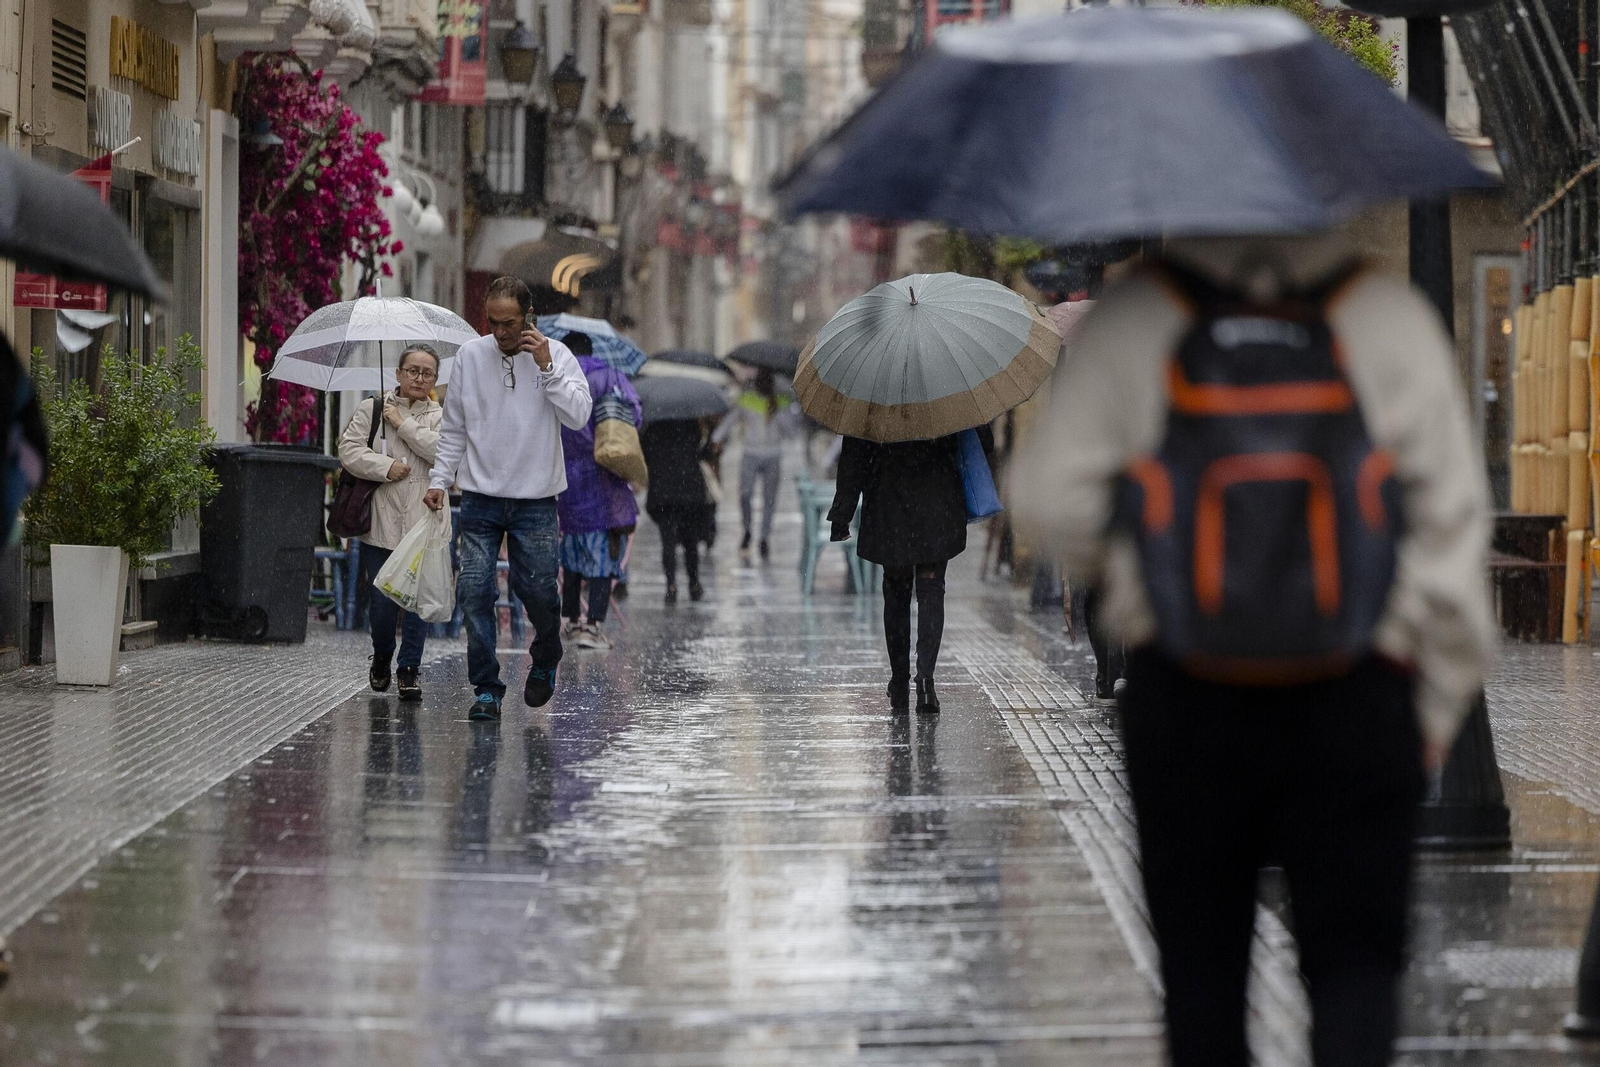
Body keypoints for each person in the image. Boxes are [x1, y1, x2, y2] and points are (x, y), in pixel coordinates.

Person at [1010, 233, 1495, 1067]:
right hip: (1359, 691)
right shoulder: (1385, 317)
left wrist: (1142, 578)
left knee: (1202, 979)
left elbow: (1048, 500)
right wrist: (1433, 709)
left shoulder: (1139, 318)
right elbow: (1454, 540)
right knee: (1354, 973)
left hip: (1189, 694)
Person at [425, 277, 593, 721]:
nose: (501, 333)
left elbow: (578, 417)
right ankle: (486, 689)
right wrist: (439, 481)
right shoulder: (469, 356)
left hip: (536, 499)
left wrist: (545, 367)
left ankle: (546, 654)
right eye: (493, 323)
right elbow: (454, 426)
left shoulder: (556, 355)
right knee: (475, 591)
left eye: (511, 323)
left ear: (529, 317)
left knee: (536, 589)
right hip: (480, 496)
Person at [829, 426, 994, 714]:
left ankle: (900, 680)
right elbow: (985, 443)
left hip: (888, 496)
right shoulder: (946, 386)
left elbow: (855, 453)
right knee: (931, 587)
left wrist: (843, 512)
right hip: (937, 495)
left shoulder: (874, 389)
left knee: (896, 588)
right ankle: (926, 683)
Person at [338, 343, 443, 702]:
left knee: (417, 602)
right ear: (397, 373)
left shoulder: (441, 415)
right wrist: (385, 467)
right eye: (412, 370)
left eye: (426, 372)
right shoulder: (372, 408)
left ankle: (409, 670)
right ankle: (382, 654)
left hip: (423, 521)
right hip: (380, 520)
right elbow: (349, 450)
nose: (418, 378)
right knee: (382, 602)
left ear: (434, 379)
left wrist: (404, 424)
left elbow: (444, 453)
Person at [556, 331, 642, 651]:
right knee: (602, 556)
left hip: (565, 478)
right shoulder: (609, 376)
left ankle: (571, 622)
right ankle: (593, 625)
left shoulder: (557, 378)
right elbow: (633, 414)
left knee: (572, 554)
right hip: (604, 477)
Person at [712, 367, 799, 560]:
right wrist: (716, 439)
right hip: (750, 453)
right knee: (745, 494)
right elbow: (730, 420)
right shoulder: (747, 400)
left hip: (773, 455)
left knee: (770, 499)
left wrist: (777, 411)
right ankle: (747, 529)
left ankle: (765, 537)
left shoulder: (781, 402)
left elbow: (791, 433)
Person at [640, 417, 710, 603]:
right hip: (689, 489)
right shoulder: (690, 422)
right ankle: (694, 583)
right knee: (690, 540)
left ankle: (671, 585)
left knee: (668, 541)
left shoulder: (653, 425)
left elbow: (645, 453)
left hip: (663, 491)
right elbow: (701, 451)